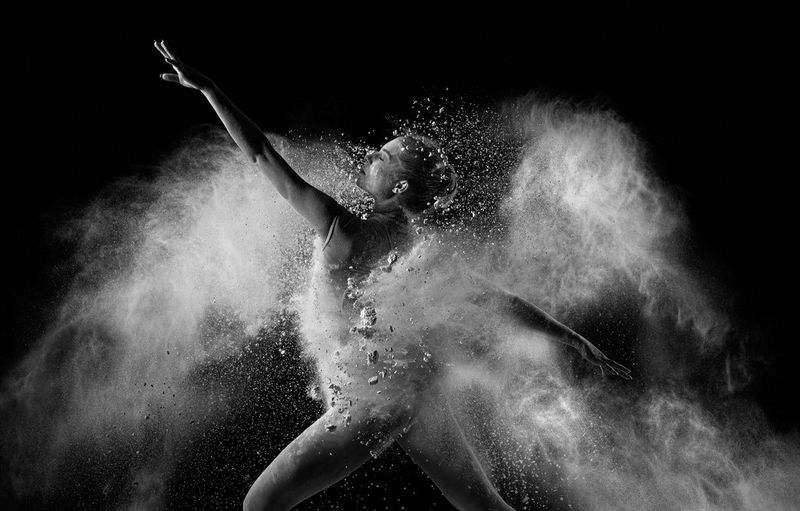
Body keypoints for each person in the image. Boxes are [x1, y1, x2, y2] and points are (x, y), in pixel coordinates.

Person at [155, 40, 630, 511]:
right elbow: (498, 299)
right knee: (483, 507)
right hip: (413, 393)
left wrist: (211, 89)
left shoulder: (341, 227)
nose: (370, 157)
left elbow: (262, 156)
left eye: (381, 157)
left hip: (371, 403)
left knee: (259, 505)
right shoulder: (421, 248)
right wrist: (574, 340)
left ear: (398, 187)